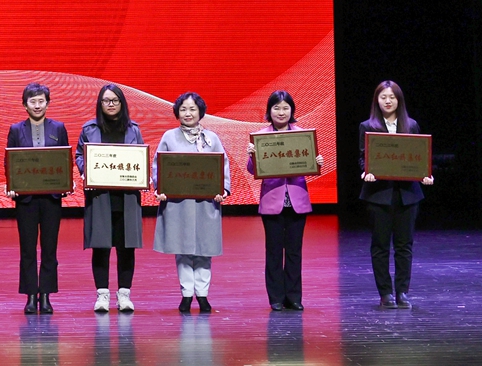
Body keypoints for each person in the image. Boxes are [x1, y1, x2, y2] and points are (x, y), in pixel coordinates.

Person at [152, 91, 232, 313]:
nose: (188, 113)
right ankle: (187, 294)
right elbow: (158, 166)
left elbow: (222, 166)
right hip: (178, 204)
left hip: (206, 203)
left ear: (200, 112)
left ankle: (203, 295)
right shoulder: (169, 137)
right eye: (183, 109)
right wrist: (160, 188)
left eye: (192, 109)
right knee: (183, 250)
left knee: (205, 249)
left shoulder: (211, 138)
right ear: (177, 112)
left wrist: (222, 189)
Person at [246, 90, 325, 311]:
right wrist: (252, 155)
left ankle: (294, 297)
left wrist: (316, 161)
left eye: (285, 108)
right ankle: (276, 298)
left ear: (292, 111)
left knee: (294, 251)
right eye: (276, 108)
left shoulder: (303, 135)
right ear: (269, 111)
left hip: (297, 200)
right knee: (273, 251)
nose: (281, 112)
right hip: (272, 200)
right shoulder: (260, 137)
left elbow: (310, 166)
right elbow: (252, 170)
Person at [359, 80, 434, 309]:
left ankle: (402, 292)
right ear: (377, 100)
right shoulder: (367, 126)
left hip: (407, 195)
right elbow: (363, 157)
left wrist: (425, 175)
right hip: (378, 194)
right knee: (380, 246)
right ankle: (385, 294)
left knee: (404, 246)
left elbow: (420, 157)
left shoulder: (411, 125)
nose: (388, 101)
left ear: (399, 100)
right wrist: (366, 172)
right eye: (383, 97)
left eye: (392, 97)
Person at [76, 84, 145, 314]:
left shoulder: (133, 129)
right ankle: (102, 295)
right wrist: (86, 170)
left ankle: (124, 295)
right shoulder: (89, 129)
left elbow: (140, 157)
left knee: (127, 247)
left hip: (127, 198)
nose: (111, 104)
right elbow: (79, 155)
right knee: (101, 246)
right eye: (106, 101)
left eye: (115, 100)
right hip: (100, 197)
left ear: (122, 103)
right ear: (100, 104)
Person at [7, 81, 70, 314]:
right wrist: (12, 186)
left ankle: (46, 295)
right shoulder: (16, 130)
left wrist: (65, 183)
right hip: (26, 199)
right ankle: (30, 296)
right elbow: (10, 161)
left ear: (48, 103)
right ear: (25, 105)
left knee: (49, 248)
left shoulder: (58, 128)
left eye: (41, 101)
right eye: (32, 101)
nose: (37, 105)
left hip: (51, 198)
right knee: (27, 248)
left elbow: (64, 159)